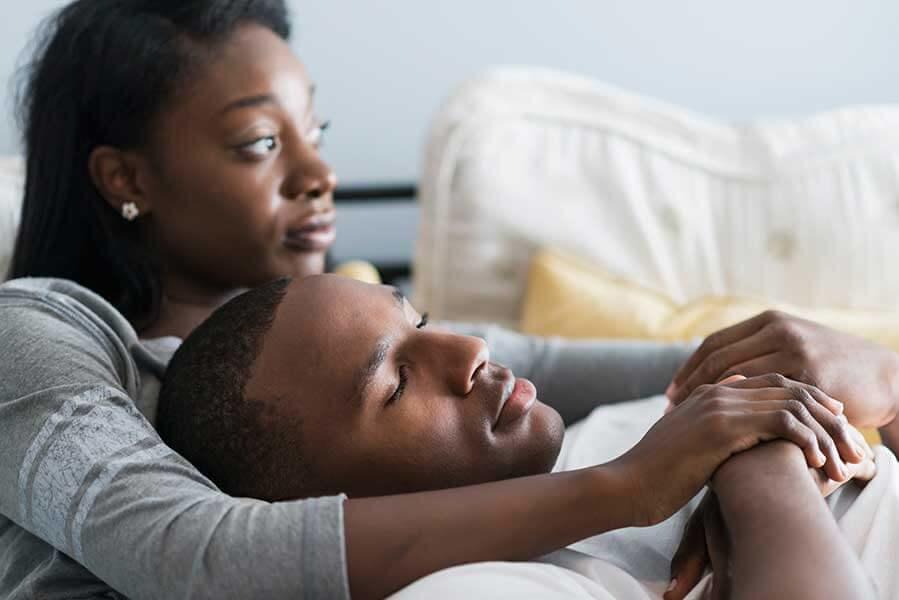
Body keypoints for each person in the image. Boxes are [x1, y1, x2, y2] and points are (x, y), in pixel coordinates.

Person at [1, 0, 898, 598]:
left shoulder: (347, 310)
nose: (320, 175)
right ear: (127, 177)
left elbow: (676, 376)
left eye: (313, 132)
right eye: (259, 143)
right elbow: (192, 550)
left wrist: (851, 364)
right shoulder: (39, 330)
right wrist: (636, 482)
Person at [153, 274, 876, 599]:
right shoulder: (471, 590)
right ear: (333, 510)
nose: (467, 351)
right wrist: (759, 470)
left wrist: (885, 374)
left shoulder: (613, 433)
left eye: (423, 322)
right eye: (397, 384)